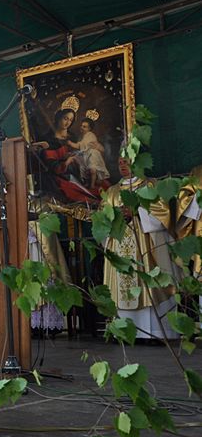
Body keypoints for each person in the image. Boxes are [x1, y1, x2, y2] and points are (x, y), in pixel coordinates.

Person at [102, 157, 178, 341]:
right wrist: (113, 217)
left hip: (146, 246)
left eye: (127, 161)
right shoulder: (112, 191)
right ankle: (124, 332)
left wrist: (137, 211)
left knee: (150, 282)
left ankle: (155, 333)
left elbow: (164, 214)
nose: (123, 166)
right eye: (119, 163)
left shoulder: (151, 185)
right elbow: (103, 220)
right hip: (119, 246)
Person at [31, 107, 100, 203]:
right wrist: (66, 161)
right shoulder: (47, 138)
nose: (68, 123)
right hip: (59, 176)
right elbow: (48, 162)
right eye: (65, 118)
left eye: (71, 120)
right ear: (59, 118)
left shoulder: (73, 137)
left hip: (75, 172)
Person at [68, 116, 109, 190]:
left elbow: (82, 146)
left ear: (89, 129)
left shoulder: (90, 135)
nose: (81, 127)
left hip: (93, 155)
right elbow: (80, 146)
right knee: (84, 168)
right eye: (81, 126)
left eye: (84, 127)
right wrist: (71, 144)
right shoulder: (83, 136)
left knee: (93, 170)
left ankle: (92, 185)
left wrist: (71, 143)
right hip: (87, 155)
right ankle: (88, 182)